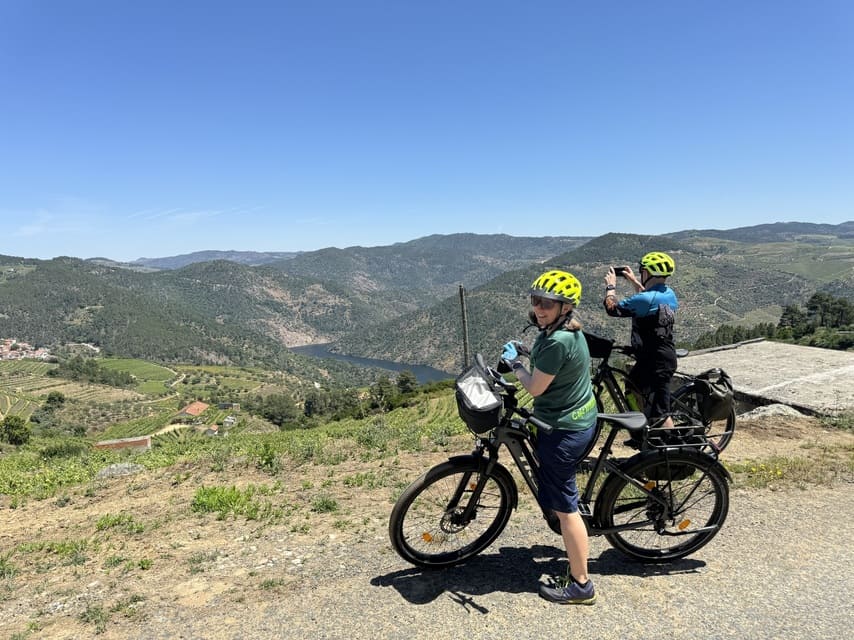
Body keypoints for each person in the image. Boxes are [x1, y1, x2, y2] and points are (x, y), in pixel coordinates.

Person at [501, 269, 598, 605]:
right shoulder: (558, 331)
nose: (539, 308)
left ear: (565, 307)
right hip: (572, 418)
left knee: (566, 506)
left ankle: (582, 585)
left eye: (547, 303)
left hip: (565, 428)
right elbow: (547, 364)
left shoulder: (558, 340)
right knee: (557, 491)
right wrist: (527, 352)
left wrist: (516, 365)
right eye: (536, 301)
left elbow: (534, 386)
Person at [603, 251, 679, 442]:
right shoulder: (668, 294)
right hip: (656, 357)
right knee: (633, 387)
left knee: (661, 413)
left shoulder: (646, 299)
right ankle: (642, 433)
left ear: (648, 273)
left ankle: (673, 452)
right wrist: (634, 282)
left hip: (656, 361)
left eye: (642, 271)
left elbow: (612, 309)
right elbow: (648, 299)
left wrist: (611, 287)